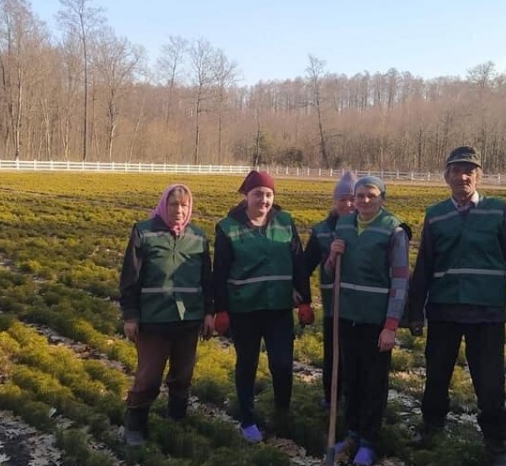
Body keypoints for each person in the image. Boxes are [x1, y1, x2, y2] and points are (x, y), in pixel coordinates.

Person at [407, 146, 506, 466]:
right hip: (444, 312)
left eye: (469, 171)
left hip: (487, 314)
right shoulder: (435, 215)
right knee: (436, 377)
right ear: (446, 176)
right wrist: (415, 312)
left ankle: (497, 447)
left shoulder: (498, 211)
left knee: (490, 385)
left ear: (478, 177)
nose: (462, 177)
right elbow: (424, 267)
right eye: (456, 171)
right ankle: (432, 427)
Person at [213, 170, 314, 443]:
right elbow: (219, 272)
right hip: (244, 309)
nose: (264, 200)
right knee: (247, 363)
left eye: (269, 195)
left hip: (279, 308)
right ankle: (247, 419)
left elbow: (298, 263)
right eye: (258, 194)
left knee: (282, 364)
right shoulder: (227, 228)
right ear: (246, 196)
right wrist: (220, 309)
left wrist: (305, 299)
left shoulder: (285, 222)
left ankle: (282, 411)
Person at [119, 184, 215, 446]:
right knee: (149, 376)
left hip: (188, 319)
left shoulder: (197, 237)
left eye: (184, 205)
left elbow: (207, 280)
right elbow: (130, 277)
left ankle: (177, 418)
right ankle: (135, 424)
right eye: (174, 205)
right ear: (164, 206)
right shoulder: (144, 232)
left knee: (183, 374)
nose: (179, 211)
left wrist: (209, 312)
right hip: (153, 320)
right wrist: (130, 315)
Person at [325, 175, 411, 466]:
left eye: (371, 196)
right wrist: (332, 257)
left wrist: (391, 325)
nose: (364, 201)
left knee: (374, 382)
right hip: (347, 315)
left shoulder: (394, 231)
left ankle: (369, 440)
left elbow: (400, 281)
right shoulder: (344, 225)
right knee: (351, 378)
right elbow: (328, 272)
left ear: (382, 199)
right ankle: (351, 432)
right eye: (359, 195)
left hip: (376, 321)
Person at [303, 170, 356, 409]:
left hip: (361, 306)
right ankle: (331, 398)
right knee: (333, 355)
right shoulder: (322, 231)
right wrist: (302, 297)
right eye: (343, 199)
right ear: (335, 201)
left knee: (355, 357)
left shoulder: (366, 226)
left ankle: (354, 399)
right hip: (333, 305)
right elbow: (303, 267)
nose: (348, 204)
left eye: (353, 198)